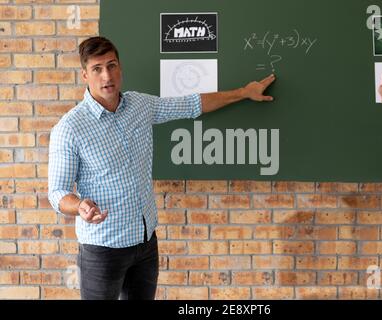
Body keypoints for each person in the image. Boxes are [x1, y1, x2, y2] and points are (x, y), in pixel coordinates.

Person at [47, 36, 276, 300]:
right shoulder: (70, 128)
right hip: (103, 249)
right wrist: (80, 207)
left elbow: (192, 105)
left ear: (120, 68)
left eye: (112, 65)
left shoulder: (140, 105)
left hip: (145, 244)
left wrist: (243, 93)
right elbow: (57, 193)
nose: (106, 75)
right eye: (97, 69)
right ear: (85, 74)